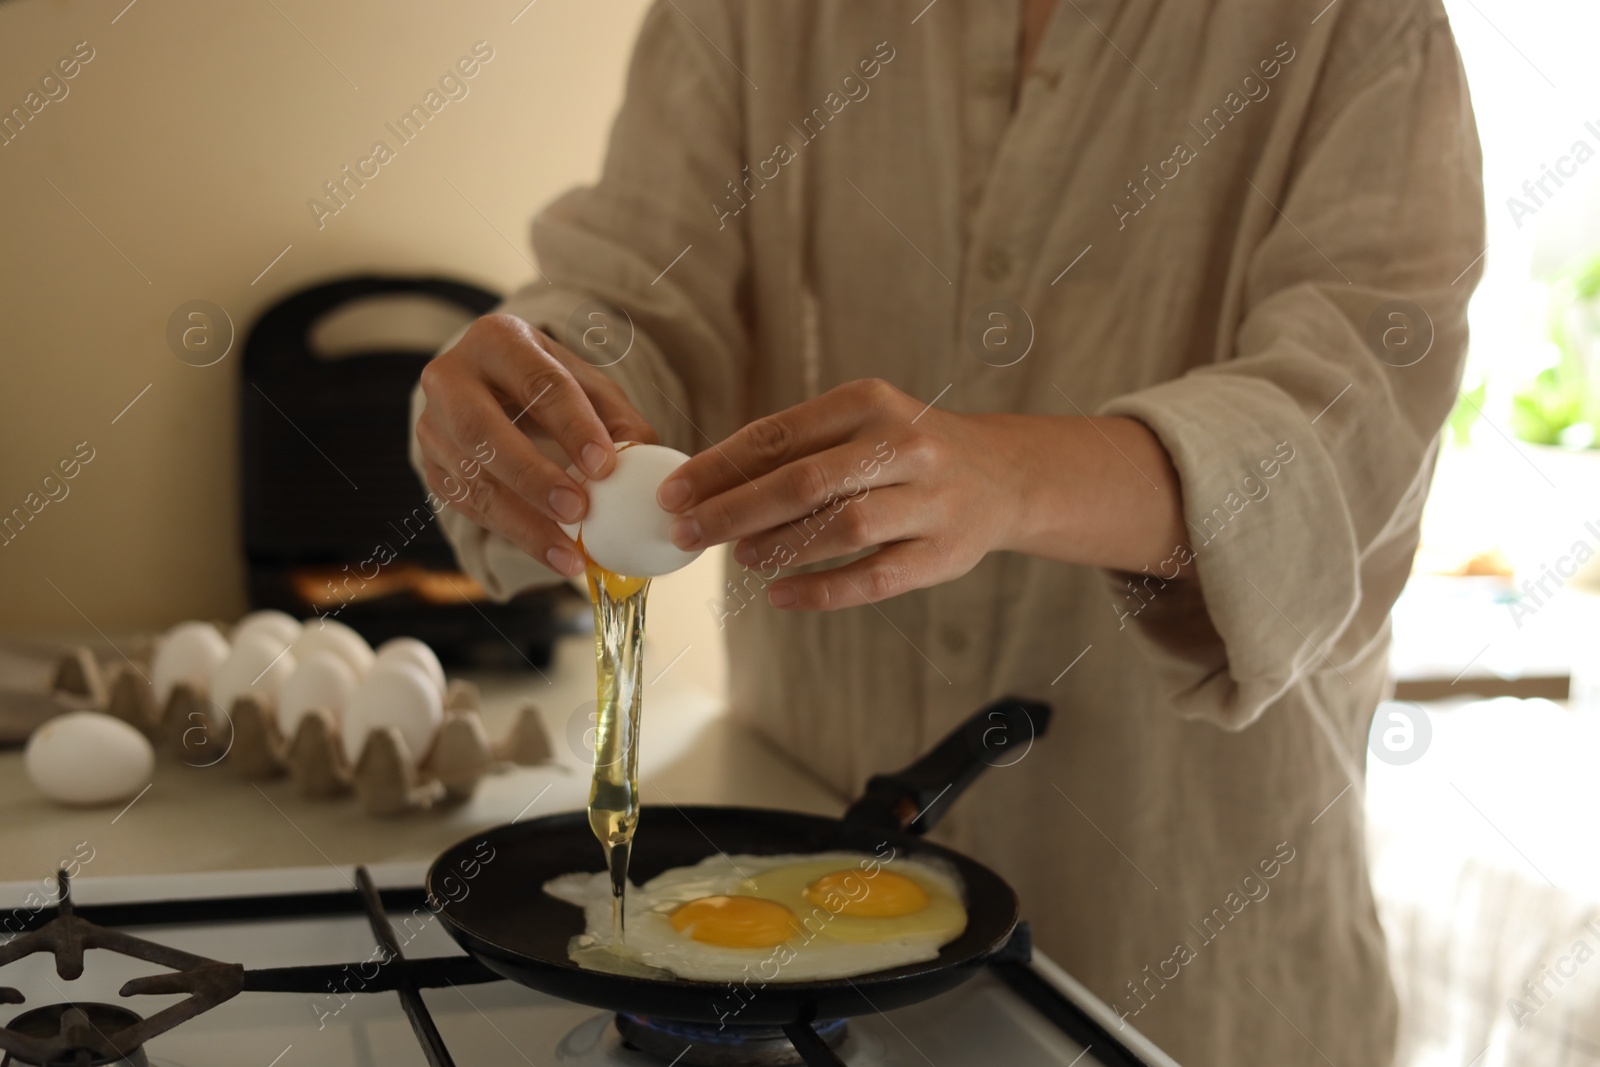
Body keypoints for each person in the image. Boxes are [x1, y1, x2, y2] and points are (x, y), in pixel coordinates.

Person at [410, 1, 1484, 1062]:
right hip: (787, 933)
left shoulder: (1358, 22)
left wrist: (1009, 474)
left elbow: (1351, 437)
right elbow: (633, 292)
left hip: (1193, 956)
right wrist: (549, 398)